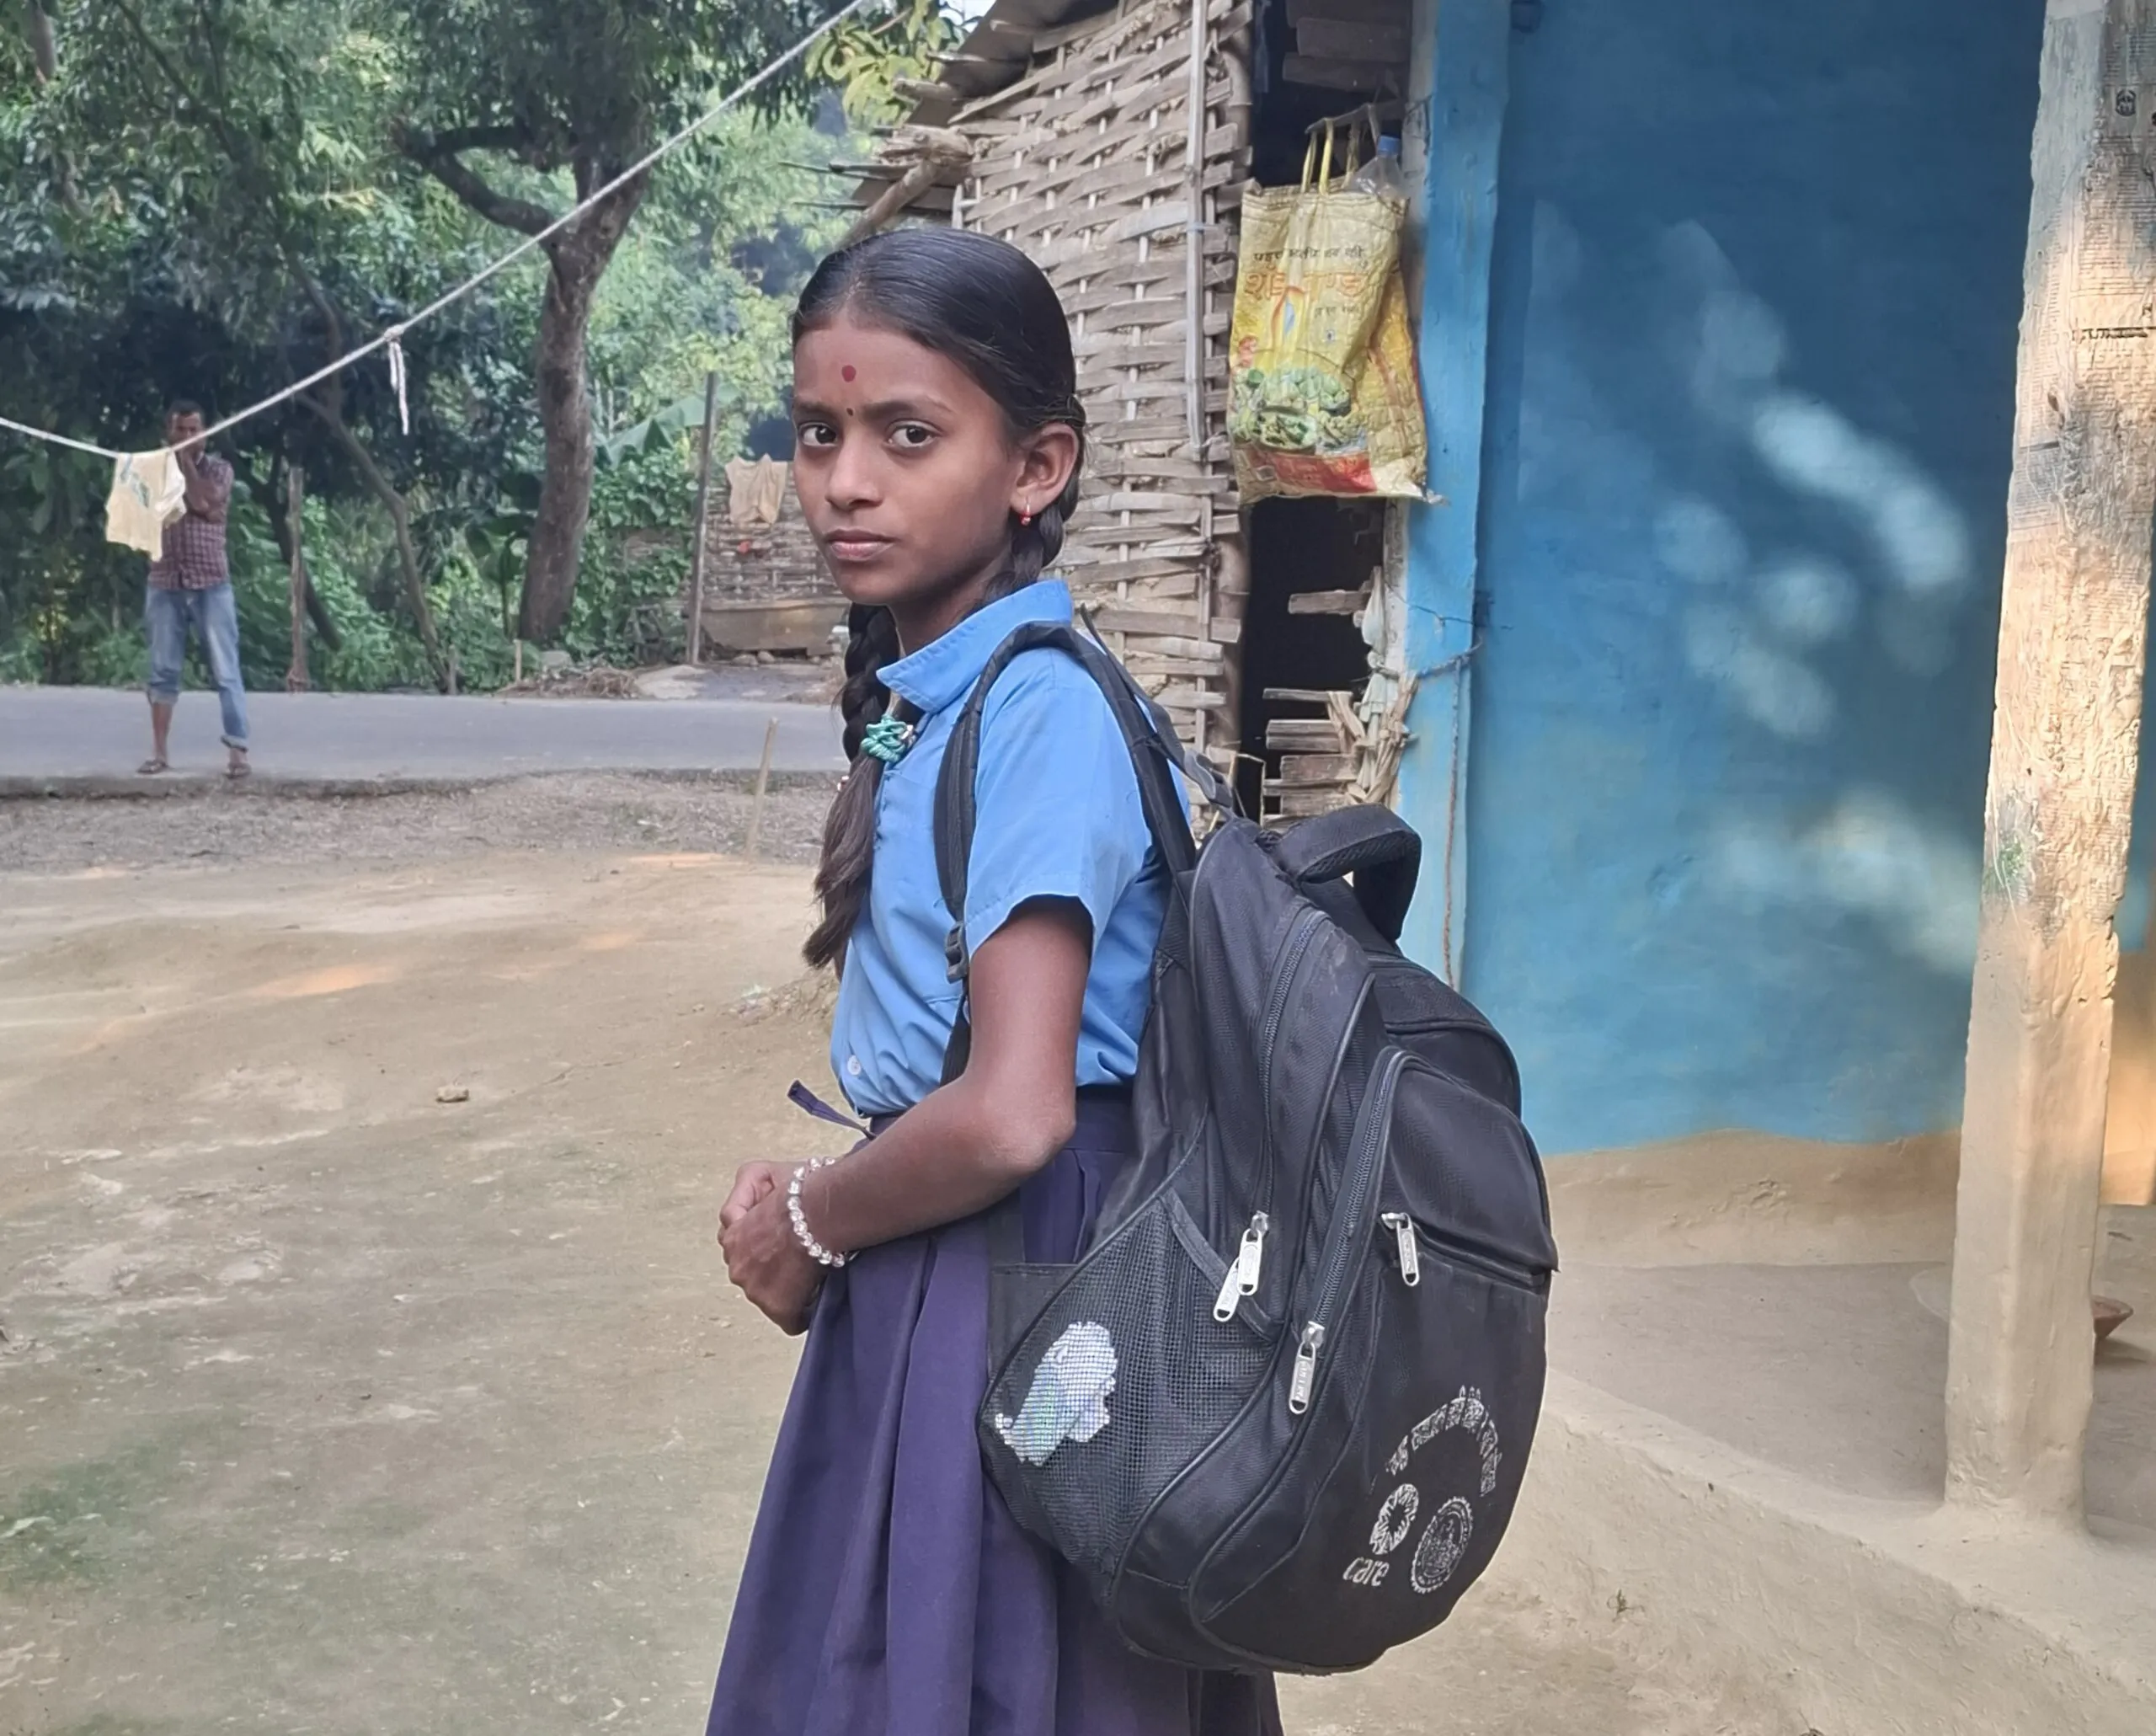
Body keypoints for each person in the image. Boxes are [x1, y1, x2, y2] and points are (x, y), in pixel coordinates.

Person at [707, 229, 1282, 1736]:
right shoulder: (943, 692)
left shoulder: (1035, 715)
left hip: (1020, 1278)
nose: (845, 479)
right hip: (971, 1261)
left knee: (987, 1670)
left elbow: (1019, 1109)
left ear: (1035, 467)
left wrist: (812, 1221)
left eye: (909, 434)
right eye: (820, 433)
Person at [140, 399, 249, 777]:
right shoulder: (152, 472)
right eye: (180, 430)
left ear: (205, 433)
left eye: (194, 430)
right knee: (162, 670)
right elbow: (140, 516)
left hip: (211, 583)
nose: (187, 436)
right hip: (165, 582)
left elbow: (205, 502)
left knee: (225, 669)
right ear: (167, 433)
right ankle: (159, 753)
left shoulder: (220, 469)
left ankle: (238, 750)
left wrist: (185, 463)